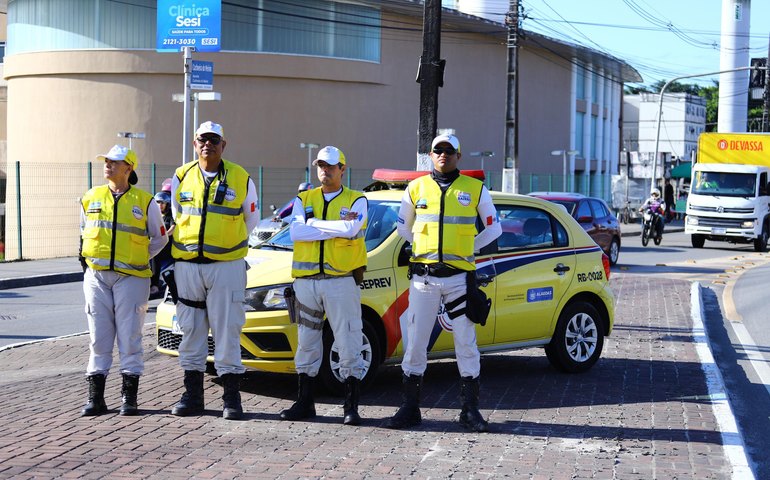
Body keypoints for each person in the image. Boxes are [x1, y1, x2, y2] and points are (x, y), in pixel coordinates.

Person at [384, 134, 501, 432]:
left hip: (459, 279)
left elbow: (494, 228)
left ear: (459, 156)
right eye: (438, 150)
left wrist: (468, 249)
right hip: (424, 278)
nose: (443, 155)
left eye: (449, 151)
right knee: (415, 343)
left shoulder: (475, 189)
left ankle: (470, 410)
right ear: (431, 155)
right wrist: (423, 250)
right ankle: (410, 408)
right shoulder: (416, 187)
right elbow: (402, 226)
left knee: (465, 342)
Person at [169, 121, 260, 420]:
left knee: (228, 330)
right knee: (191, 330)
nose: (207, 144)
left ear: (224, 144)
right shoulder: (182, 175)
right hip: (188, 266)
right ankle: (192, 396)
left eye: (214, 140)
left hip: (226, 266)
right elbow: (177, 215)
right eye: (202, 139)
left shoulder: (241, 177)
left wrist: (225, 246)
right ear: (195, 144)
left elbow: (251, 220)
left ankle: (231, 399)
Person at [279, 146, 368, 426]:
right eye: (320, 165)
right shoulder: (303, 198)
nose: (325, 170)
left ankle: (351, 406)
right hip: (306, 283)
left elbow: (352, 229)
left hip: (341, 281)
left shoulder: (358, 199)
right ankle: (305, 402)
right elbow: (295, 231)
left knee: (348, 341)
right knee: (306, 343)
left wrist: (313, 225)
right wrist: (332, 225)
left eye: (330, 166)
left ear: (342, 168)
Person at [79, 144, 168, 416]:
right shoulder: (90, 197)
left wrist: (139, 257)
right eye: (106, 161)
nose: (108, 165)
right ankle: (96, 399)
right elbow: (83, 232)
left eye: (114, 162)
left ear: (128, 168)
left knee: (130, 337)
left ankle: (129, 399)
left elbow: (160, 237)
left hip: (132, 278)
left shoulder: (145, 201)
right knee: (99, 337)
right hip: (96, 276)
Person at [150, 191, 175, 298]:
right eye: (157, 202)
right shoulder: (154, 216)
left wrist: (163, 236)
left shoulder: (171, 216)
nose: (160, 205)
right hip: (156, 243)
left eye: (162, 203)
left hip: (167, 246)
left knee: (155, 255)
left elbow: (173, 228)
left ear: (167, 204)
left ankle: (154, 285)